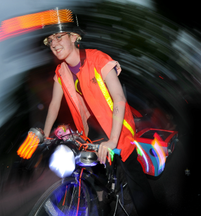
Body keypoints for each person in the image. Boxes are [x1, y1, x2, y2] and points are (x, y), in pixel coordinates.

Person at [42, 8, 158, 216]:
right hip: (91, 133)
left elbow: (119, 99)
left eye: (59, 37)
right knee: (90, 177)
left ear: (75, 37)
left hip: (118, 129)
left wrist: (113, 141)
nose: (54, 44)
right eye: (50, 40)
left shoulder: (98, 59)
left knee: (136, 184)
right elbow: (53, 105)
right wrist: (44, 134)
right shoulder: (61, 72)